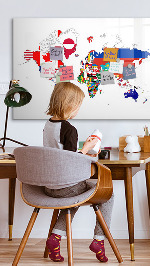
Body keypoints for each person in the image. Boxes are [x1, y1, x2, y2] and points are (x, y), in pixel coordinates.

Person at [43, 82, 114, 263]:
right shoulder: (69, 129)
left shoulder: (48, 125)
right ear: (70, 105)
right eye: (78, 106)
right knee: (108, 194)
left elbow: (60, 154)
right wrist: (87, 149)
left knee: (73, 198)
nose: (78, 110)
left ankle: (56, 238)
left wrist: (84, 150)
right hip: (66, 186)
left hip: (49, 186)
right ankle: (99, 240)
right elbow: (71, 161)